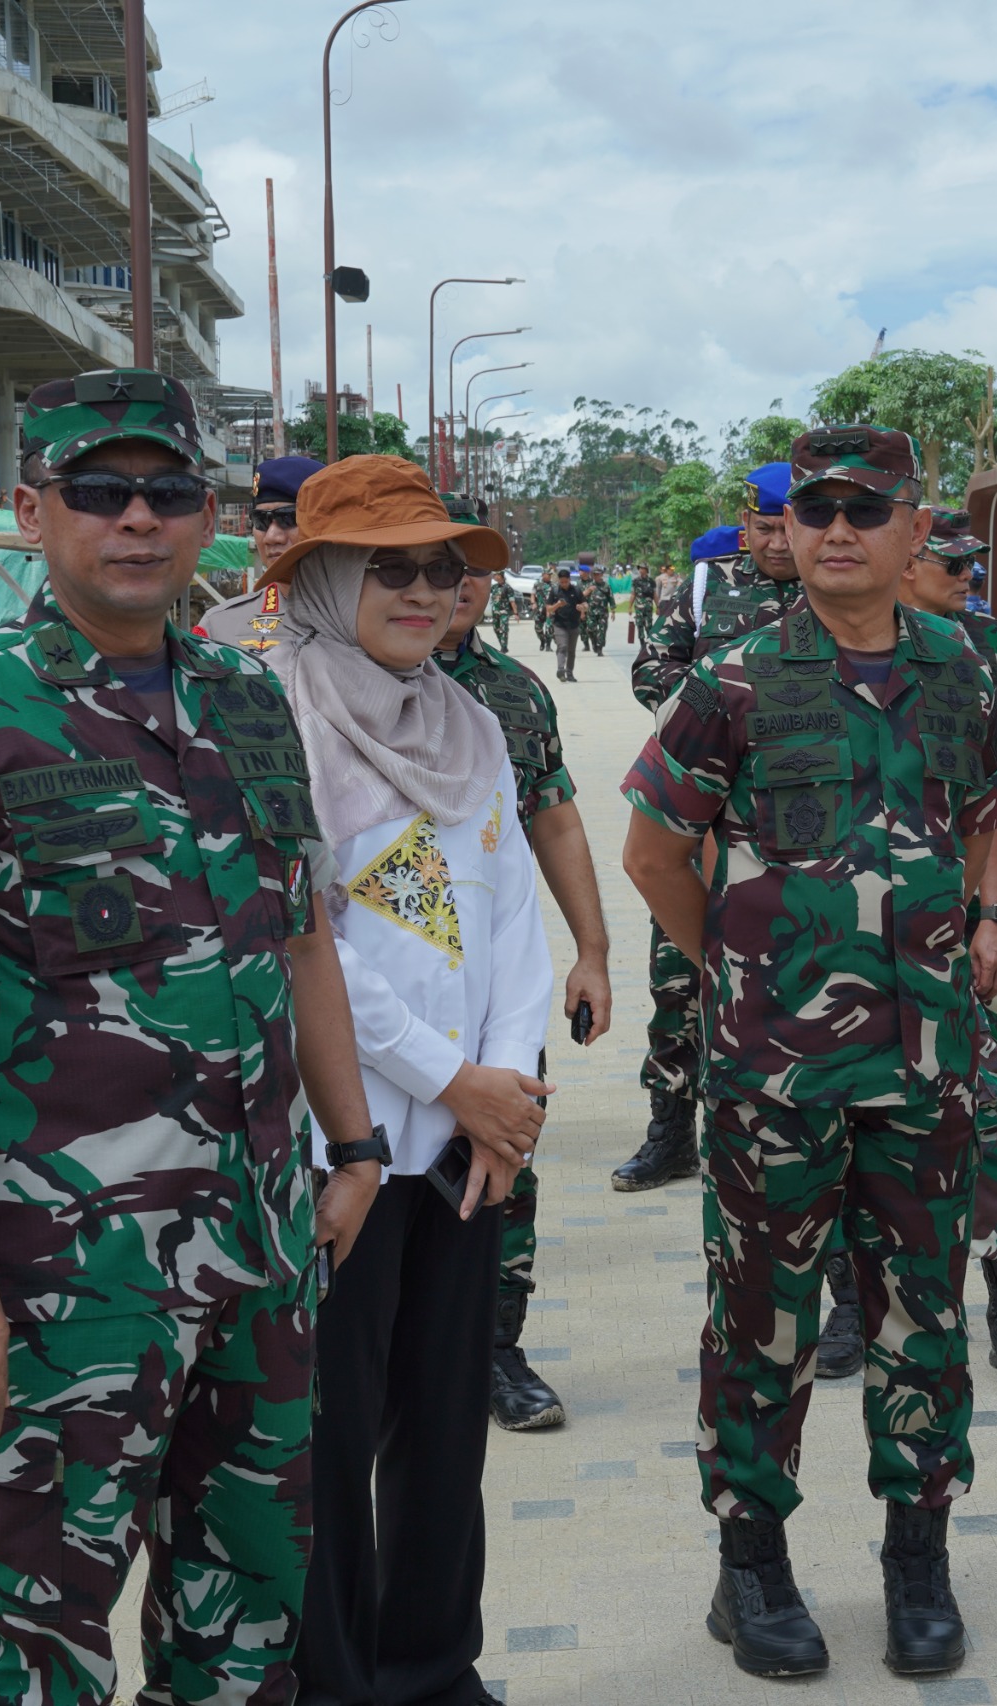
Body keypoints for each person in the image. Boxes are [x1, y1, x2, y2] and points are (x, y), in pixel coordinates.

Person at [0, 369, 387, 1705]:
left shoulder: (252, 703)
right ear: (33, 508)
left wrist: (358, 1141)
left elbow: (304, 934)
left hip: (261, 1248)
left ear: (207, 517)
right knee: (34, 1633)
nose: (137, 517)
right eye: (98, 489)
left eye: (167, 490)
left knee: (251, 1613)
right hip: (60, 1277)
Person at [621, 426, 997, 1680]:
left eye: (864, 507)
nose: (836, 528)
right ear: (786, 533)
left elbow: (988, 808)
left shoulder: (962, 666)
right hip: (773, 1080)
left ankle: (918, 1560)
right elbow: (651, 852)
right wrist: (742, 968)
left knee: (923, 1321)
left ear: (915, 526)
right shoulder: (733, 679)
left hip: (929, 1069)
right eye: (816, 509)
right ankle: (752, 1567)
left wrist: (990, 912)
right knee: (761, 1324)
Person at [255, 455, 553, 1706]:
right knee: (329, 1430)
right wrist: (448, 1076)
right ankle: (335, 1676)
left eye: (445, 568)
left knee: (441, 1428)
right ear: (321, 577)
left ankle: (433, 1665)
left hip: (467, 1146)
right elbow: (303, 938)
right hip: (346, 1145)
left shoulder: (471, 722)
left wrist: (509, 1091)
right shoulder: (272, 715)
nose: (426, 592)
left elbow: (510, 923)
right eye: (393, 567)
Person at [873, 509, 997, 1392]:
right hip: (834, 960)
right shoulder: (776, 662)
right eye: (952, 563)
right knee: (839, 1143)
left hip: (951, 941)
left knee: (989, 1118)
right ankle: (850, 1307)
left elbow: (994, 790)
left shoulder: (968, 656)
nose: (968, 578)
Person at [433, 562, 616, 1431]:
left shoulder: (514, 693)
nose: (447, 587)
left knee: (504, 1156)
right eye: (423, 567)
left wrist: (592, 949)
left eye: (465, 570)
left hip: (493, 986)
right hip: (366, 997)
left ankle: (495, 1351)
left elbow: (556, 817)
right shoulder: (314, 680)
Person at [618, 485, 798, 1197]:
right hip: (700, 809)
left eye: (790, 527)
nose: (780, 543)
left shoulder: (838, 594)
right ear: (744, 526)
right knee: (678, 972)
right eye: (765, 528)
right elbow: (650, 671)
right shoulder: (706, 589)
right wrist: (724, 703)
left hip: (798, 815)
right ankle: (670, 1128)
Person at [199, 454, 326, 655]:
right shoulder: (219, 627)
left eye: (288, 518)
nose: (271, 537)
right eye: (261, 521)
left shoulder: (367, 620)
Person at [582, 564, 613, 656]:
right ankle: (594, 642)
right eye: (594, 574)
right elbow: (581, 597)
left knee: (602, 631)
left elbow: (611, 598)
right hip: (591, 612)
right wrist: (588, 590)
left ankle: (600, 648)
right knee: (590, 629)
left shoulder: (606, 586)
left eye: (598, 574)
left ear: (601, 575)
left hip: (603, 612)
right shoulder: (589, 585)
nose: (596, 576)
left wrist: (613, 611)